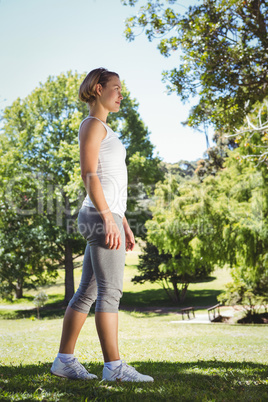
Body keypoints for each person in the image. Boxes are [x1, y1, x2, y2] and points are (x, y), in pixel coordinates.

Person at [50, 68, 154, 382]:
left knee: (87, 292)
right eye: (116, 88)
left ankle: (64, 361)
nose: (121, 94)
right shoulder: (93, 125)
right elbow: (89, 175)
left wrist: (122, 221)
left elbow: (110, 181)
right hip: (98, 216)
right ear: (98, 89)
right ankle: (115, 368)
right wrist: (108, 217)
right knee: (110, 293)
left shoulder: (105, 129)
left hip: (105, 215)